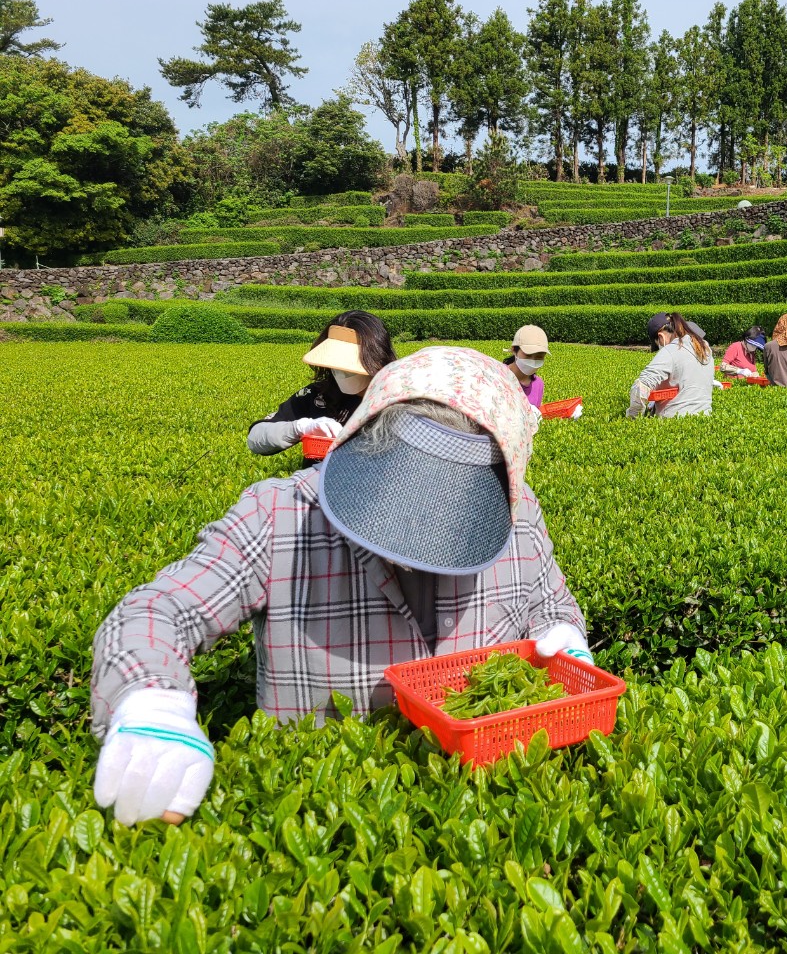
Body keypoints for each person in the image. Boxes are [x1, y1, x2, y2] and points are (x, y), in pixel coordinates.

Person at [92, 346, 591, 826]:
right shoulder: (282, 514)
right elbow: (159, 611)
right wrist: (151, 700)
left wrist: (564, 634)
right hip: (320, 820)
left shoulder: (517, 510)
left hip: (482, 810)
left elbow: (549, 602)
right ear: (366, 435)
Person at [247, 311, 395, 461]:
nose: (341, 372)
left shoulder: (397, 400)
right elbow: (255, 438)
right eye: (335, 364)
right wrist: (300, 428)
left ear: (377, 358)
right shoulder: (319, 394)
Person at [626, 312, 715, 418]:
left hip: (674, 421)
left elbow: (641, 386)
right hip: (704, 418)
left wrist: (633, 417)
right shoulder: (705, 350)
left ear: (661, 337)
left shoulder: (670, 350)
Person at [504, 324, 550, 408]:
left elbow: (536, 413)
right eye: (528, 355)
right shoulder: (498, 376)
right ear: (514, 350)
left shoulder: (538, 384)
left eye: (539, 356)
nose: (533, 361)